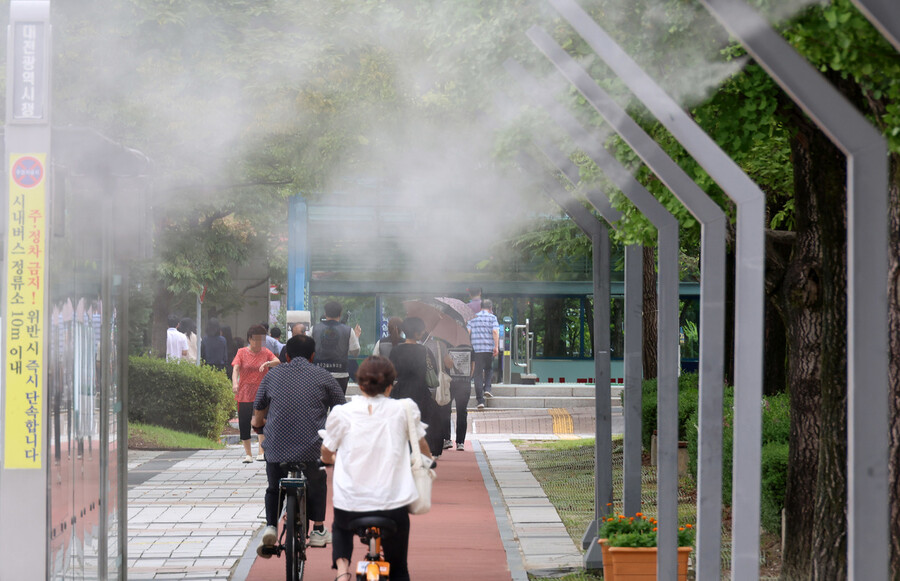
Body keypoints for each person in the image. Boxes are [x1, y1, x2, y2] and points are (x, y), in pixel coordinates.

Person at [321, 356, 433, 581]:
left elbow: (326, 451)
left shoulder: (342, 413)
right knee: (399, 567)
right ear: (391, 385)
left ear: (360, 384)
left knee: (340, 526)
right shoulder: (405, 409)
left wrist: (331, 459)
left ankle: (343, 573)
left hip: (351, 504)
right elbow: (422, 447)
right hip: (393, 504)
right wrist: (428, 460)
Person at [252, 335, 345, 556]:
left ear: (286, 355)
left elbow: (258, 412)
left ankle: (271, 526)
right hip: (313, 448)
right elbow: (342, 410)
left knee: (274, 487)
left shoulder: (272, 375)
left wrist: (258, 427)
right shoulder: (324, 376)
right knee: (317, 480)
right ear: (313, 356)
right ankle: (319, 529)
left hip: (276, 448)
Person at [389, 317, 443, 456]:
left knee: (401, 424)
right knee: (421, 423)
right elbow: (434, 372)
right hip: (420, 392)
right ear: (418, 333)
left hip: (400, 391)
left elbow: (390, 373)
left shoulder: (395, 351)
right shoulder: (424, 351)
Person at [232, 324, 280, 463]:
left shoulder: (265, 352)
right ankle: (248, 454)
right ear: (249, 339)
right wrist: (235, 383)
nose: (259, 343)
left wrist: (268, 364)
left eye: (261, 340)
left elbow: (277, 361)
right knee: (244, 422)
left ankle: (261, 451)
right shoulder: (241, 352)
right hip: (245, 392)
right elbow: (235, 369)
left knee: (261, 421)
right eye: (256, 340)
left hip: (261, 392)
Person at [311, 301, 361, 394]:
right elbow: (355, 352)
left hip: (318, 375)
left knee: (320, 406)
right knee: (338, 406)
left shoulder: (313, 329)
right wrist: (356, 337)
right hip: (340, 375)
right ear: (340, 314)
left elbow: (308, 350)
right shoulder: (348, 330)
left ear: (325, 313)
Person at [467, 299, 499, 410]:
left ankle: (480, 401)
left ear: (481, 307)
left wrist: (468, 345)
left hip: (477, 349)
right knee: (489, 369)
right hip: (488, 349)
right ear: (490, 308)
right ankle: (487, 389)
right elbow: (495, 332)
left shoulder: (473, 317)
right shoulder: (493, 318)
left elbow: (468, 332)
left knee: (478, 374)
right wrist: (496, 346)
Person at [446, 344, 475, 450]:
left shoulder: (447, 346)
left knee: (445, 410)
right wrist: (468, 378)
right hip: (464, 384)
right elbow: (473, 367)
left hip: (449, 383)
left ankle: (447, 439)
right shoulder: (470, 347)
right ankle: (460, 442)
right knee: (462, 411)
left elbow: (446, 364)